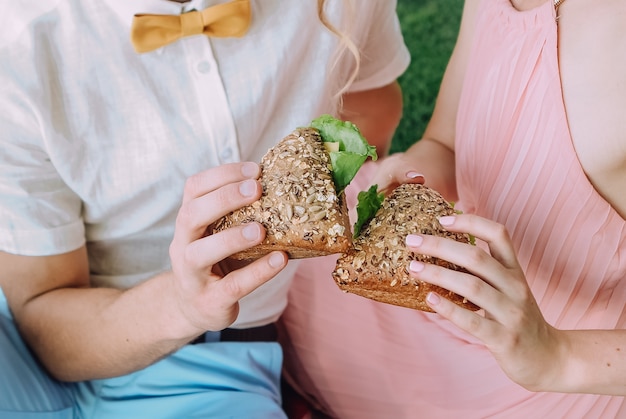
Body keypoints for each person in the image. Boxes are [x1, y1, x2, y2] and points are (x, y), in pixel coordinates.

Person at [0, 0, 410, 417]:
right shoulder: (18, 45)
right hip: (35, 343)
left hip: (207, 368)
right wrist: (178, 303)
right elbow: (42, 319)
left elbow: (370, 108)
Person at [278, 0, 626, 417]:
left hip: (539, 372)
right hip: (451, 288)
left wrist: (556, 356)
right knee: (288, 259)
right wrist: (409, 172)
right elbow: (447, 143)